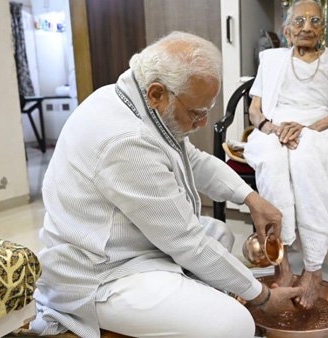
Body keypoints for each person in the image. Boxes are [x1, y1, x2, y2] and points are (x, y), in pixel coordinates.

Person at [29, 31, 303, 338]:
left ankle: (186, 306)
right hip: (102, 274)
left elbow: (193, 160)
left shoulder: (131, 99)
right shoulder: (127, 140)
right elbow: (187, 242)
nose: (202, 123)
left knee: (220, 234)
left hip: (127, 240)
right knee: (236, 324)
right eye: (196, 113)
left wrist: (252, 199)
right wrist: (263, 297)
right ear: (157, 93)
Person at [243, 0, 328, 310]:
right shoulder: (271, 59)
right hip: (275, 126)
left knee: (304, 159)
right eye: (299, 21)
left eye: (314, 21)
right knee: (271, 160)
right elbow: (255, 110)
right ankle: (279, 257)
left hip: (318, 128)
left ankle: (313, 265)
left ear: (323, 28)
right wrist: (270, 127)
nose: (306, 27)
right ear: (287, 29)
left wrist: (309, 127)